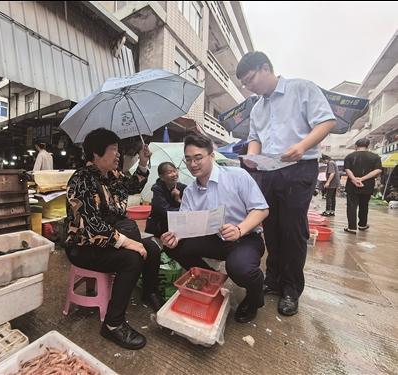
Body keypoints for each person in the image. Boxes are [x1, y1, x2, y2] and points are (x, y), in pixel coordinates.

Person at [236, 51, 336, 316]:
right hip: (269, 171)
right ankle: (273, 278)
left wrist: (302, 146)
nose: (249, 86)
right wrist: (253, 157)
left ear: (266, 68)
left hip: (298, 167)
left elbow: (327, 121)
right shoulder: (258, 107)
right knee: (271, 226)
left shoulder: (301, 88)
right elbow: (255, 137)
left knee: (292, 229)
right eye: (245, 84)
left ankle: (291, 289)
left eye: (251, 79)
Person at [64, 128, 162, 350]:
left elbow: (134, 185)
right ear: (96, 154)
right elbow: (92, 226)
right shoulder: (81, 181)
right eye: (113, 150)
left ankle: (149, 293)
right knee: (132, 258)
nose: (118, 155)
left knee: (153, 248)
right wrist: (128, 242)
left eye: (118, 150)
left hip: (112, 237)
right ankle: (112, 324)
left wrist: (144, 162)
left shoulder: (113, 175)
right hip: (83, 245)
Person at [161, 133, 269, 323]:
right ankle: (212, 280)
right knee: (173, 247)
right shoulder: (189, 192)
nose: (193, 164)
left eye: (198, 158)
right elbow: (184, 227)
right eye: (188, 159)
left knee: (239, 268)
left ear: (211, 155)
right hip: (214, 239)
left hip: (245, 238)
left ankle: (255, 296)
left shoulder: (238, 176)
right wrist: (174, 237)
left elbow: (261, 209)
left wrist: (239, 229)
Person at [343, 138, 383, 233]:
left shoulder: (349, 156)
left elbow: (347, 169)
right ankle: (362, 225)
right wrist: (362, 179)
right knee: (364, 205)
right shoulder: (375, 157)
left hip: (352, 185)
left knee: (351, 206)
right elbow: (378, 170)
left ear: (356, 146)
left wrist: (354, 179)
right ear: (367, 146)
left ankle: (351, 227)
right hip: (367, 185)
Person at [145, 162, 187, 237]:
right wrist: (184, 211)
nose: (174, 174)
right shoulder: (157, 189)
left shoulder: (182, 187)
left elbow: (189, 206)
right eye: (169, 172)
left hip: (176, 224)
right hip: (159, 227)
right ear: (162, 177)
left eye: (174, 171)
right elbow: (165, 211)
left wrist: (178, 199)